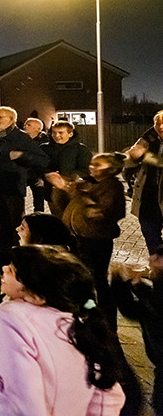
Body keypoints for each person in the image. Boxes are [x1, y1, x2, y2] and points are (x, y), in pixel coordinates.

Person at [0, 245, 128, 415]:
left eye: (13, 271)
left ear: (37, 296)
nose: (4, 268)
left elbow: (26, 397)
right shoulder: (82, 323)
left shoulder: (12, 318)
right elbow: (108, 395)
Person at [48, 152, 128, 328]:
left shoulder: (112, 187)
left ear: (112, 169)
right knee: (80, 277)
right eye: (92, 164)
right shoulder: (90, 183)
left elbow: (99, 213)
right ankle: (84, 311)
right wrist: (61, 188)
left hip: (96, 240)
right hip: (78, 237)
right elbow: (64, 206)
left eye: (98, 165)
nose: (92, 168)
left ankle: (107, 321)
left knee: (97, 280)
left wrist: (81, 193)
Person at [0, 106, 49, 252]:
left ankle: (18, 254)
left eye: (0, 117)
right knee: (2, 223)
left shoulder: (21, 137)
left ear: (12, 120)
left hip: (12, 187)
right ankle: (4, 253)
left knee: (15, 224)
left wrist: (21, 156)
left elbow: (43, 159)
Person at [111, 255, 163, 415]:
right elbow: (131, 310)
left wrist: (136, 285)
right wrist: (120, 281)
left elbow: (154, 310)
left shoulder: (153, 299)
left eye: (159, 257)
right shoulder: (152, 297)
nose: (151, 259)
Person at [127, 110, 163, 259]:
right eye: (158, 123)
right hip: (148, 199)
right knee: (152, 240)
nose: (161, 127)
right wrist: (133, 157)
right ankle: (158, 269)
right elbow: (127, 164)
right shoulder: (146, 140)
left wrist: (146, 156)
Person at [41, 121, 91, 218]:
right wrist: (46, 174)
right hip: (51, 191)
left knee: (72, 219)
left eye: (60, 132)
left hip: (72, 192)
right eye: (54, 132)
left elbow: (87, 170)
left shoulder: (80, 149)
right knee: (58, 219)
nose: (56, 135)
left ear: (70, 134)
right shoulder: (44, 148)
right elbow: (36, 166)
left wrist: (66, 176)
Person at [23, 117, 50, 213]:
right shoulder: (21, 140)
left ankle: (38, 221)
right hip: (24, 174)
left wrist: (41, 176)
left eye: (29, 125)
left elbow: (44, 162)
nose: (25, 126)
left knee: (38, 200)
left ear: (38, 129)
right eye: (25, 124)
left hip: (36, 175)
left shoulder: (44, 143)